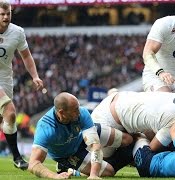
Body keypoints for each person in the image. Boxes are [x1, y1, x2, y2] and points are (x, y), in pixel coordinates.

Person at [91, 91, 175, 158]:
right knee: (105, 165)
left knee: (144, 134)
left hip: (117, 99)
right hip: (107, 121)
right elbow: (153, 147)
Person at [28, 92, 116, 179]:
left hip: (81, 138)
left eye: (78, 107)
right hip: (67, 155)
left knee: (125, 139)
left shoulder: (82, 112)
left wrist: (94, 174)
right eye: (75, 110)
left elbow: (94, 144)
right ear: (61, 112)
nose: (79, 112)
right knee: (109, 171)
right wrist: (55, 176)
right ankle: (69, 169)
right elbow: (33, 164)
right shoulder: (45, 128)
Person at [0, 0, 43, 170]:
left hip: (5, 78)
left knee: (8, 118)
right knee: (11, 111)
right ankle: (17, 156)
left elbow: (26, 56)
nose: (6, 17)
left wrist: (35, 76)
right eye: (2, 14)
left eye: (8, 13)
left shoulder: (17, 32)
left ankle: (15, 157)